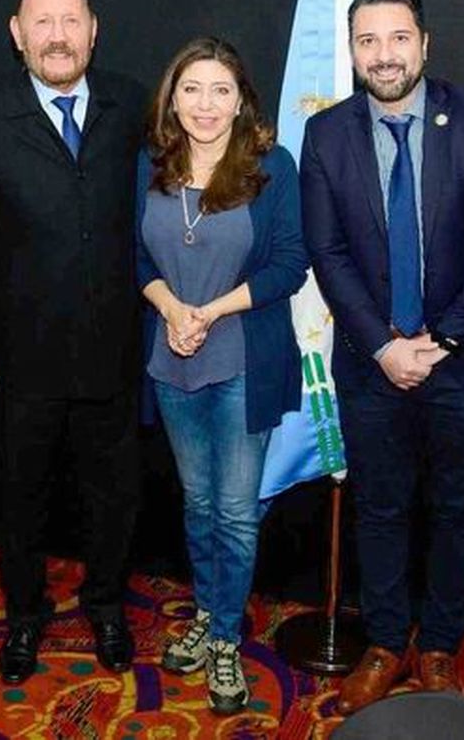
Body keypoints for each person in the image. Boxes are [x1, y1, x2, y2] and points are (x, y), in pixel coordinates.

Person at [299, 0, 464, 714]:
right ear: (354, 51)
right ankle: (388, 642)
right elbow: (326, 253)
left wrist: (443, 337)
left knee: (460, 510)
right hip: (371, 363)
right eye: (368, 41)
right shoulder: (327, 134)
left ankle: (440, 648)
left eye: (398, 39)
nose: (384, 55)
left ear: (425, 43)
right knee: (382, 509)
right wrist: (383, 345)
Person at [0, 0, 147, 686]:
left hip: (114, 352)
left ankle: (107, 605)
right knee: (20, 498)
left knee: (113, 496)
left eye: (70, 21)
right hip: (17, 358)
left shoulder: (132, 106)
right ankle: (24, 616)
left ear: (94, 28)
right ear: (16, 33)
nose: (57, 36)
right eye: (42, 23)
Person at [137, 37, 308, 714]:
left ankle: (228, 639)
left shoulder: (272, 167)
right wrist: (173, 308)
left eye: (220, 91)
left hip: (242, 357)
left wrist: (207, 311)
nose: (205, 105)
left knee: (237, 512)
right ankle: (206, 615)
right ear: (172, 97)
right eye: (192, 89)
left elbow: (290, 265)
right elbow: (136, 260)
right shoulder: (149, 165)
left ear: (242, 101)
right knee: (199, 504)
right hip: (170, 358)